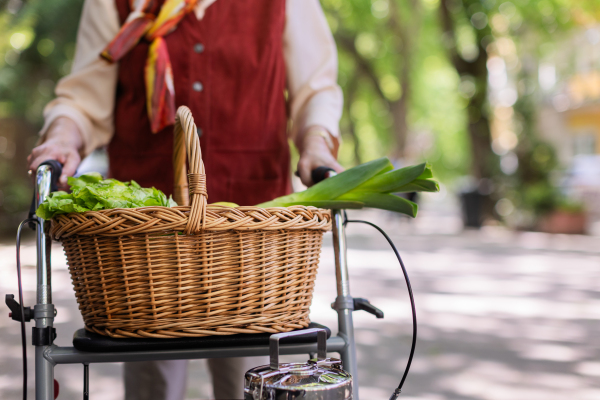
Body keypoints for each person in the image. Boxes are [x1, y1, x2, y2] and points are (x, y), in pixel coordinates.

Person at [26, 0, 343, 398]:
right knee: (152, 385)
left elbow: (315, 88)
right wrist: (61, 138)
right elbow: (84, 99)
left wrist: (316, 144)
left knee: (254, 380)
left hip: (251, 240)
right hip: (145, 245)